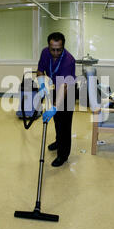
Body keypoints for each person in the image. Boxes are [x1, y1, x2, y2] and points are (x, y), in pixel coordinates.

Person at [37, 32, 76, 167]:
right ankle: (58, 141)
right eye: (52, 49)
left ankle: (63, 155)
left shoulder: (68, 60)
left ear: (63, 46)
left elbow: (64, 86)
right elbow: (40, 70)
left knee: (65, 123)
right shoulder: (45, 52)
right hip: (54, 87)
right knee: (57, 120)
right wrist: (42, 84)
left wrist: (55, 106)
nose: (55, 52)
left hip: (67, 90)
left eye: (58, 49)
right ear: (48, 46)